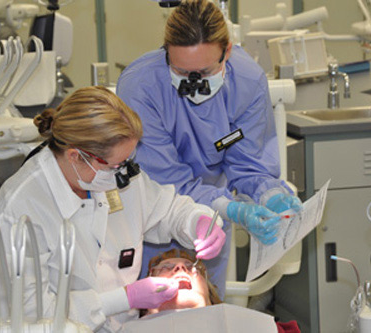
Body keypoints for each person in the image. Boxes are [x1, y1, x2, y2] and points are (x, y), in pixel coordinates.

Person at [0, 86, 226, 332]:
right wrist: (123, 299)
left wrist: (197, 221)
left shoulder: (109, 175)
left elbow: (169, 210)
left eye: (128, 161)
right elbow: (31, 318)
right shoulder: (18, 213)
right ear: (75, 156)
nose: (125, 173)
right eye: (117, 165)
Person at [117, 0, 302, 299]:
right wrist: (231, 208)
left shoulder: (247, 80)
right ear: (166, 52)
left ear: (227, 52)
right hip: (155, 217)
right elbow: (165, 180)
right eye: (180, 70)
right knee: (152, 311)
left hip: (213, 222)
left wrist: (271, 195)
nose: (193, 84)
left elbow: (248, 162)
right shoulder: (141, 86)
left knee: (206, 303)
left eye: (204, 72)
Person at [122, 249, 301, 333]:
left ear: (209, 294)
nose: (179, 268)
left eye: (191, 268)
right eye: (165, 268)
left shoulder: (261, 328)